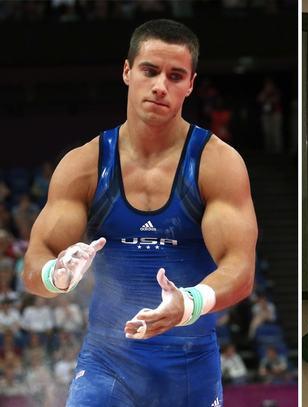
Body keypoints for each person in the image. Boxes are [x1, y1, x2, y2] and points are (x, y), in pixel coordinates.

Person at [22, 18, 257, 406]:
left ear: (191, 84)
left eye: (175, 76)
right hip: (107, 362)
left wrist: (189, 303)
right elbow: (34, 265)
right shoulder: (84, 166)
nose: (161, 85)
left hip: (190, 366)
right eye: (150, 70)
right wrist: (56, 274)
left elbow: (241, 269)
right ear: (127, 71)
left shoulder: (217, 164)